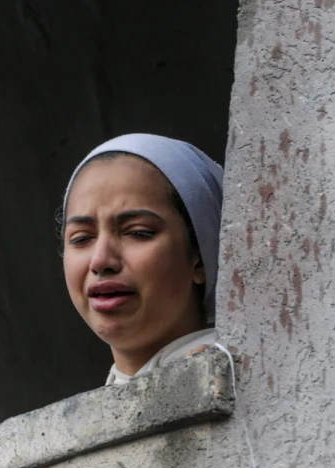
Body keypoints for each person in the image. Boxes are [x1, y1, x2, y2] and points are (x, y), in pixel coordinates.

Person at [61, 133, 224, 385]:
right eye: (81, 238)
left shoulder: (246, 379)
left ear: (200, 257)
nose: (101, 260)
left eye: (138, 232)